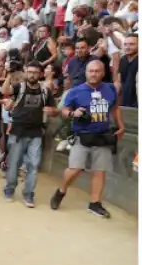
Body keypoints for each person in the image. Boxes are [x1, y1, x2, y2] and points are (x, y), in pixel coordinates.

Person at [51, 60, 124, 218]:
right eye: (91, 71)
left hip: (103, 135)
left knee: (100, 171)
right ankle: (61, 190)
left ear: (103, 73)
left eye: (97, 71)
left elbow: (115, 108)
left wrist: (121, 126)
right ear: (86, 73)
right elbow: (64, 109)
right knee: (74, 169)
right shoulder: (76, 91)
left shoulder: (110, 89)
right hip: (82, 135)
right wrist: (72, 114)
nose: (94, 74)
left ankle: (95, 203)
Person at [1, 61, 58, 207]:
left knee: (34, 164)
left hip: (36, 132)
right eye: (29, 72)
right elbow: (5, 91)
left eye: (35, 72)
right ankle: (9, 189)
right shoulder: (19, 87)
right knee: (14, 163)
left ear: (40, 74)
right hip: (18, 131)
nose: (32, 75)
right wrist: (9, 75)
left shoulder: (45, 91)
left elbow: (54, 109)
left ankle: (29, 194)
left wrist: (52, 111)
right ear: (26, 72)